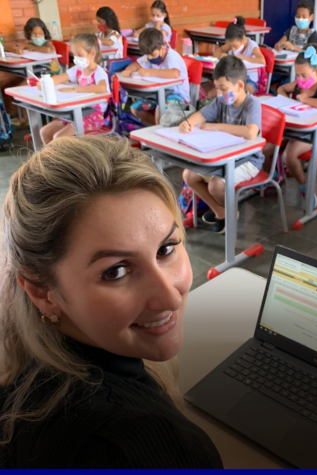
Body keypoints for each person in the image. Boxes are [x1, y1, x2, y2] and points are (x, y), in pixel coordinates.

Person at [0, 136, 223, 469]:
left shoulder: (23, 367)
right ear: (43, 293)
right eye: (115, 271)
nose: (169, 296)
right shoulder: (138, 446)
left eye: (165, 249)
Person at [180, 56, 264, 234]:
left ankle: (232, 212)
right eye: (217, 88)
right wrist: (188, 123)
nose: (219, 93)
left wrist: (217, 126)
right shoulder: (221, 101)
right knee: (189, 175)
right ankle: (220, 211)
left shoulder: (252, 104)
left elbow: (251, 132)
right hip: (224, 156)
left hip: (248, 160)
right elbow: (201, 115)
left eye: (223, 88)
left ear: (239, 85)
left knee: (216, 185)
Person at [276, 44, 317, 208]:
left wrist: (306, 100)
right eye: (297, 75)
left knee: (288, 156)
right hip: (293, 128)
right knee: (268, 147)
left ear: (316, 72)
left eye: (304, 75)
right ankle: (273, 178)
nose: (300, 79)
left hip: (312, 133)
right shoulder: (299, 84)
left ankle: (304, 188)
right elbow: (281, 88)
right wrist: (287, 102)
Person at [39, 33, 110, 144]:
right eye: (74, 54)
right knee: (45, 132)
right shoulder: (77, 69)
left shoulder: (98, 72)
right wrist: (45, 82)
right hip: (76, 111)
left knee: (59, 138)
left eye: (79, 55)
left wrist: (75, 90)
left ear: (92, 53)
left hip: (94, 116)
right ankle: (51, 155)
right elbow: (58, 79)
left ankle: (62, 155)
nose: (76, 58)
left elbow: (102, 88)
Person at [122, 28, 190, 125]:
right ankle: (159, 126)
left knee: (159, 111)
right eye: (147, 55)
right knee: (135, 109)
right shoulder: (150, 54)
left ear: (162, 47)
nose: (149, 57)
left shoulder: (172, 56)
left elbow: (174, 73)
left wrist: (149, 72)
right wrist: (128, 70)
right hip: (157, 95)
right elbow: (136, 65)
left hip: (178, 96)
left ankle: (160, 128)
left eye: (153, 55)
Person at [214, 16, 266, 95]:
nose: (232, 48)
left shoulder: (252, 46)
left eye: (234, 46)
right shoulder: (232, 43)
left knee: (244, 93)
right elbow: (216, 52)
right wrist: (222, 55)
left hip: (250, 79)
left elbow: (262, 61)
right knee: (222, 90)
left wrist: (243, 58)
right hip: (234, 77)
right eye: (230, 45)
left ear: (243, 39)